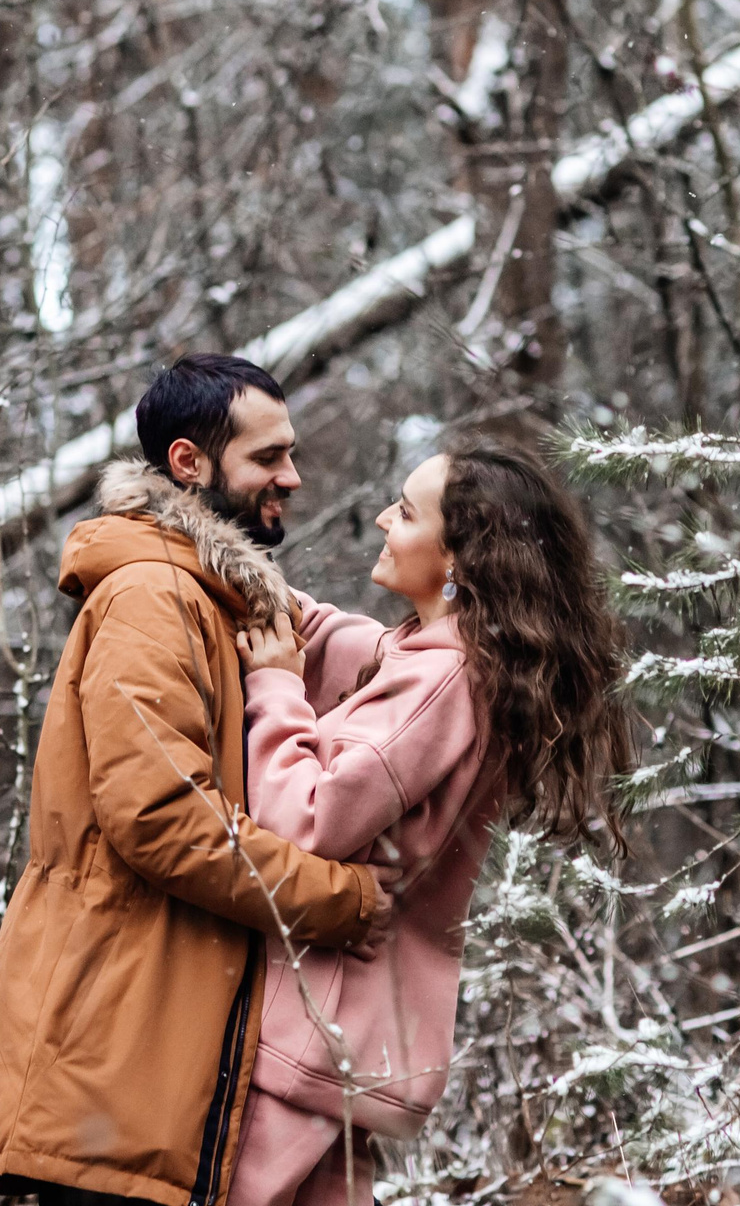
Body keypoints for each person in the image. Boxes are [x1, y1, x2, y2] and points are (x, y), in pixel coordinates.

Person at [0, 355, 401, 1206]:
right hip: (109, 1067)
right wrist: (341, 899)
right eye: (269, 456)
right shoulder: (151, 596)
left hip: (147, 1069)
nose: (293, 475)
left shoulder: (208, 599)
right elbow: (163, 818)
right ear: (188, 464)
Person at [224, 442, 632, 1206]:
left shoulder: (441, 680)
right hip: (343, 1035)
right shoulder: (460, 659)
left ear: (460, 560)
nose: (383, 518)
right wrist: (260, 591)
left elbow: (306, 820)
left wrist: (275, 686)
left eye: (406, 512)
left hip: (312, 1033)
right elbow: (372, 656)